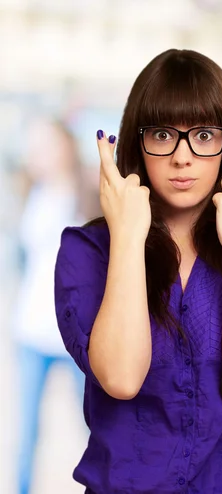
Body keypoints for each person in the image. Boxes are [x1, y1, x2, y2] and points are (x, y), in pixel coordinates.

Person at [54, 49, 222, 494]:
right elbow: (121, 377)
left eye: (204, 135)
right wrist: (129, 237)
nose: (182, 157)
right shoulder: (88, 250)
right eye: (163, 134)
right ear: (137, 140)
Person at [13, 118, 92, 494]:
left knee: (95, 425)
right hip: (31, 331)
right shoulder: (30, 191)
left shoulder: (89, 194)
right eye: (35, 146)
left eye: (47, 144)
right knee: (25, 428)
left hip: (77, 335)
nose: (39, 154)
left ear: (66, 146)